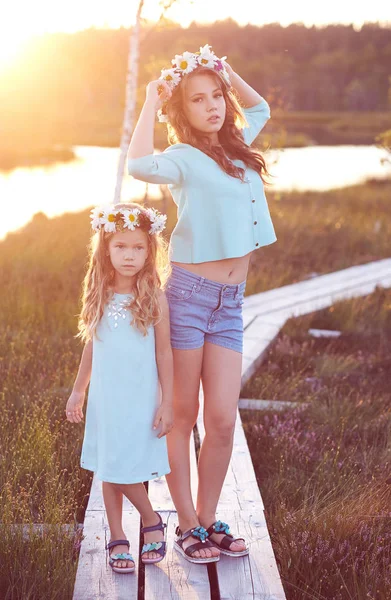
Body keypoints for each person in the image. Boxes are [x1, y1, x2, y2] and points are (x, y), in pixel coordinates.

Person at [128, 44, 276, 564]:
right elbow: (137, 164)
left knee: (222, 418)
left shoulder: (236, 147)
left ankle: (209, 517)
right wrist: (152, 97)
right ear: (182, 111)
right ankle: (185, 523)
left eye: (217, 97)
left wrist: (229, 74)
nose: (213, 106)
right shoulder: (182, 160)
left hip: (231, 303)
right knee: (184, 414)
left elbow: (260, 110)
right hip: (189, 298)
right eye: (199, 99)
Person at [65, 203, 173, 573]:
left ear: (150, 250)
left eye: (138, 247)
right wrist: (79, 390)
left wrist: (168, 401)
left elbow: (164, 352)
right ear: (106, 250)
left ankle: (150, 518)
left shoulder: (154, 296)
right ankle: (118, 535)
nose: (129, 255)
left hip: (141, 396)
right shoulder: (99, 292)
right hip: (107, 396)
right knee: (109, 464)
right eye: (121, 247)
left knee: (124, 463)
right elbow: (92, 346)